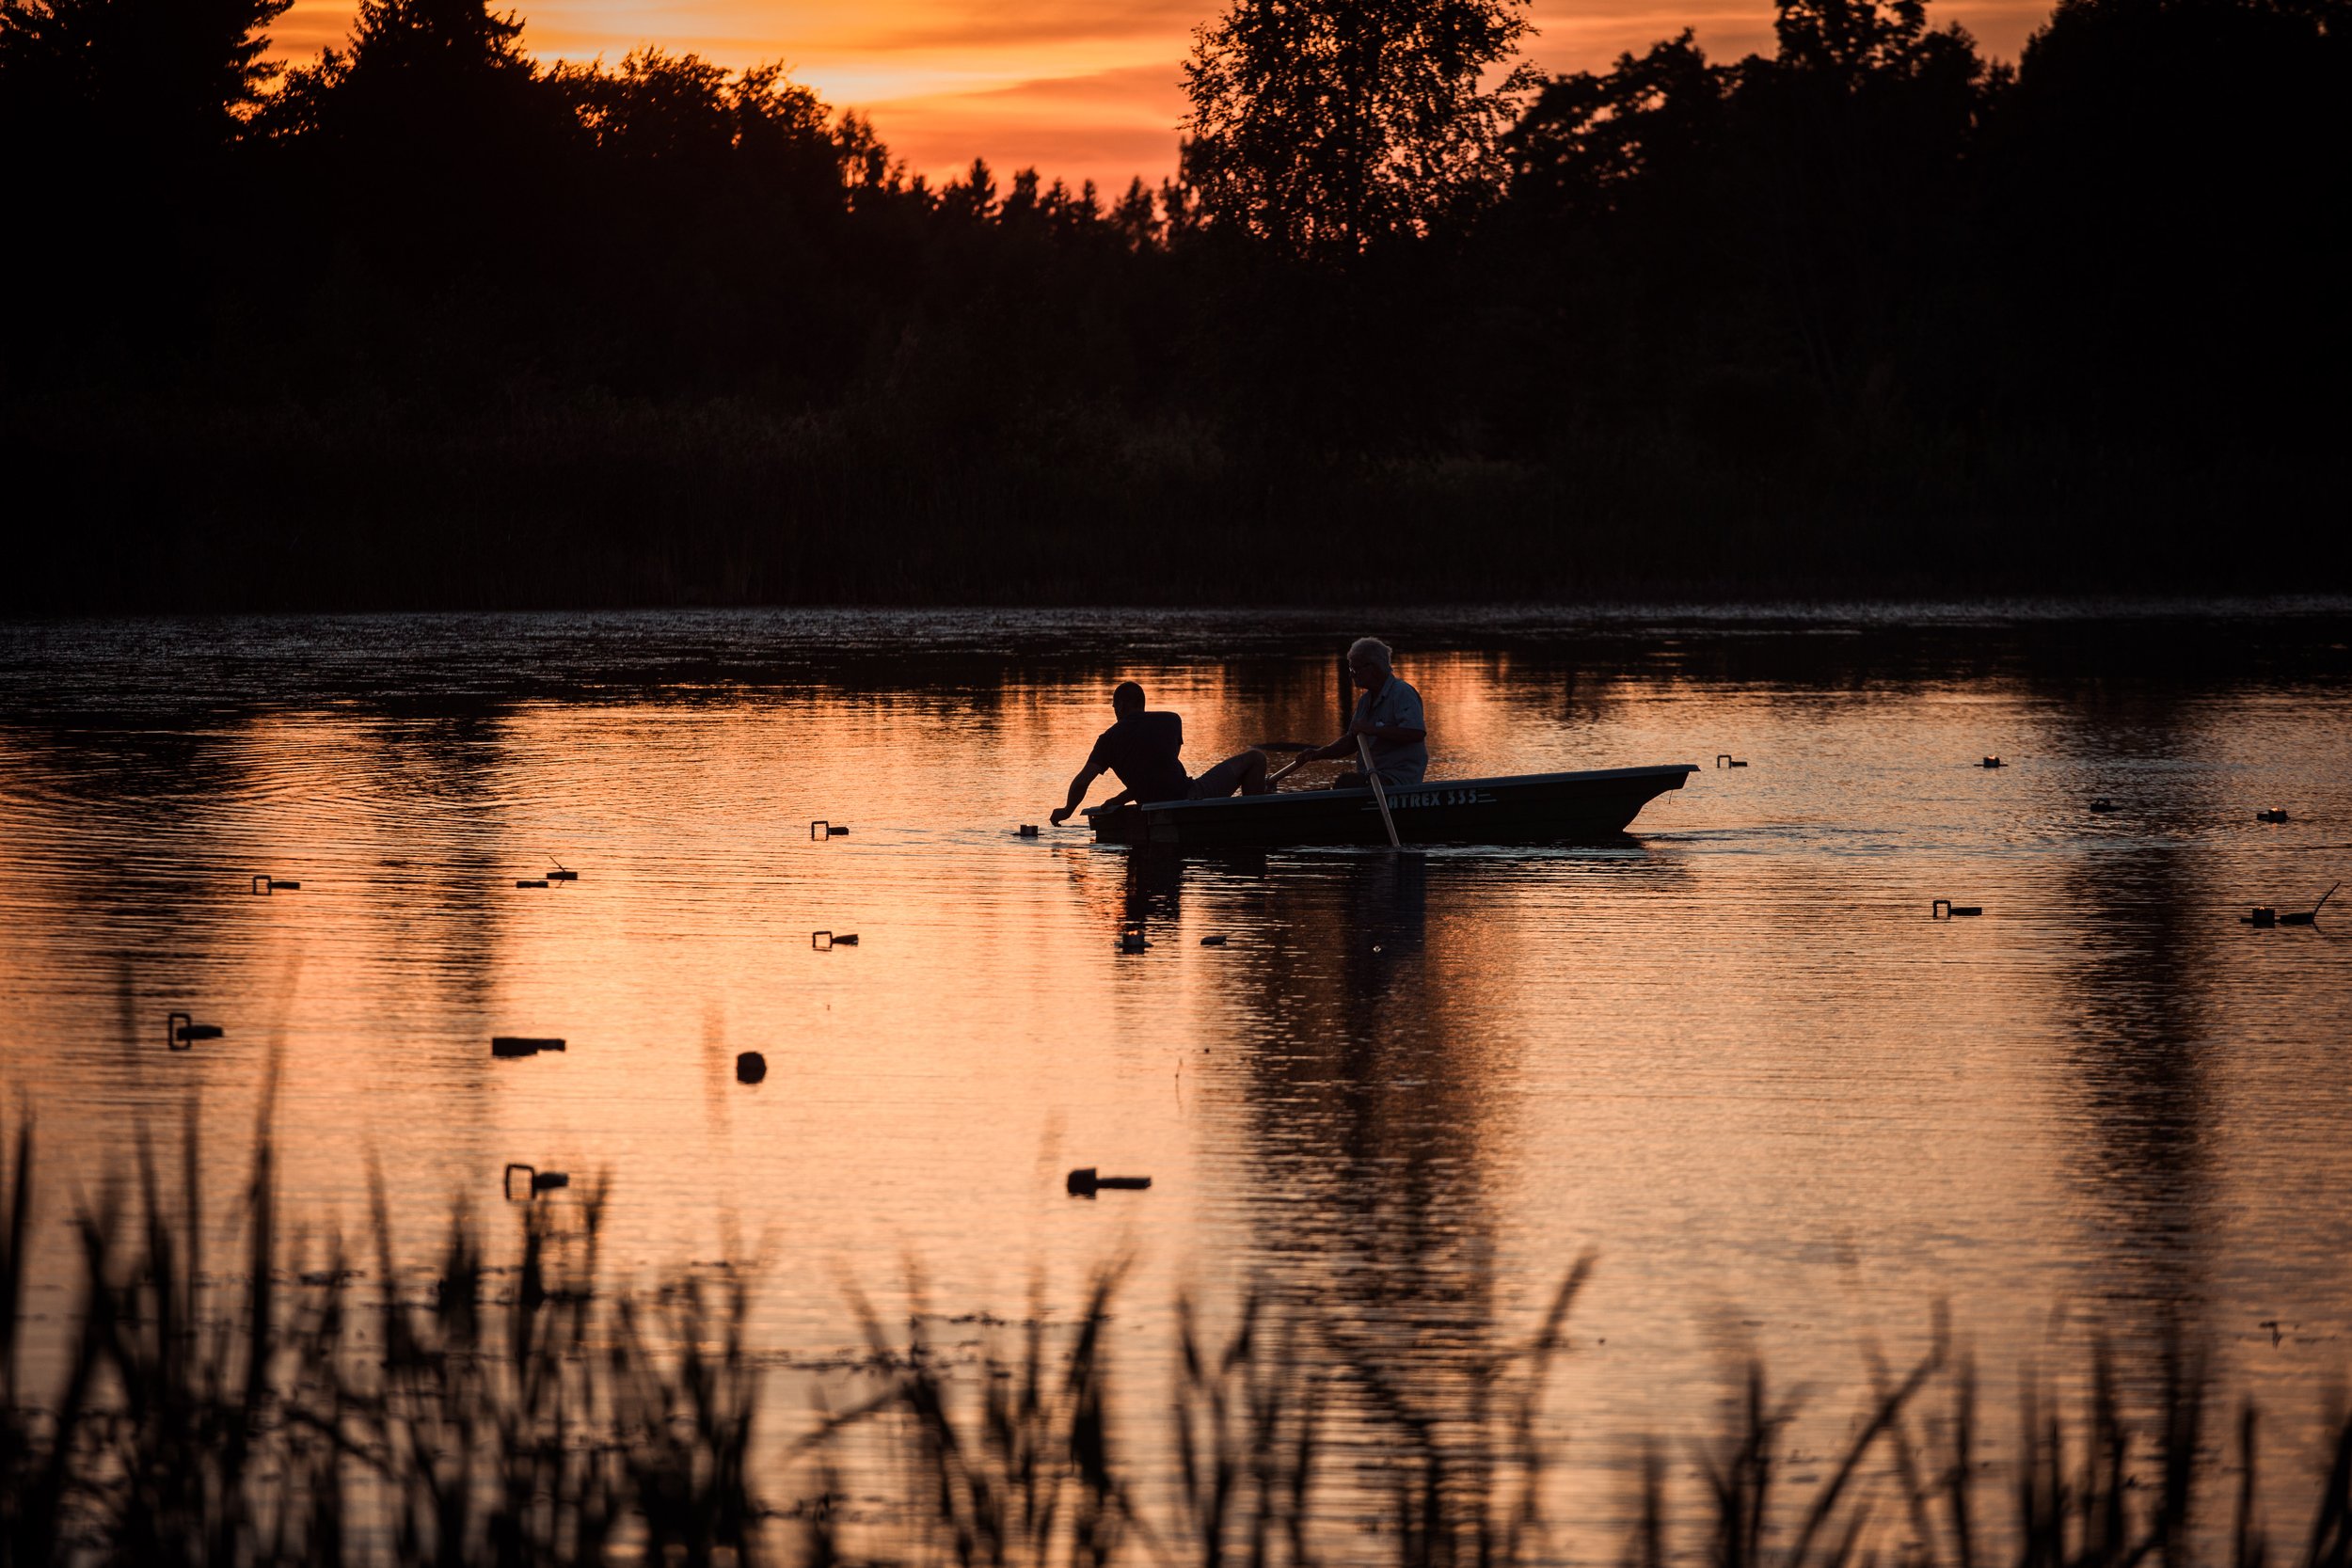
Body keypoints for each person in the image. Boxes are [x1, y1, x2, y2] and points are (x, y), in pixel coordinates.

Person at [1049, 681, 1270, 826]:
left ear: (1122, 705)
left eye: (1114, 706)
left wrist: (1067, 811)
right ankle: (1255, 821)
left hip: (1162, 801)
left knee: (1255, 759)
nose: (1115, 711)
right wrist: (1121, 798)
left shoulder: (1107, 740)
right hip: (1189, 794)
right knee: (1256, 758)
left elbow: (1082, 782)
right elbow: (1161, 772)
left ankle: (1252, 818)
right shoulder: (1171, 720)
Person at [1295, 637, 1427, 787]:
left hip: (1397, 778)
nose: (1351, 675)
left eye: (1355, 669)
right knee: (1343, 784)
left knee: (1346, 782)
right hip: (1371, 776)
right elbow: (1352, 741)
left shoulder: (1402, 693)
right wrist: (1319, 753)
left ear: (1373, 668)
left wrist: (1373, 730)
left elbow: (1415, 733)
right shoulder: (1365, 700)